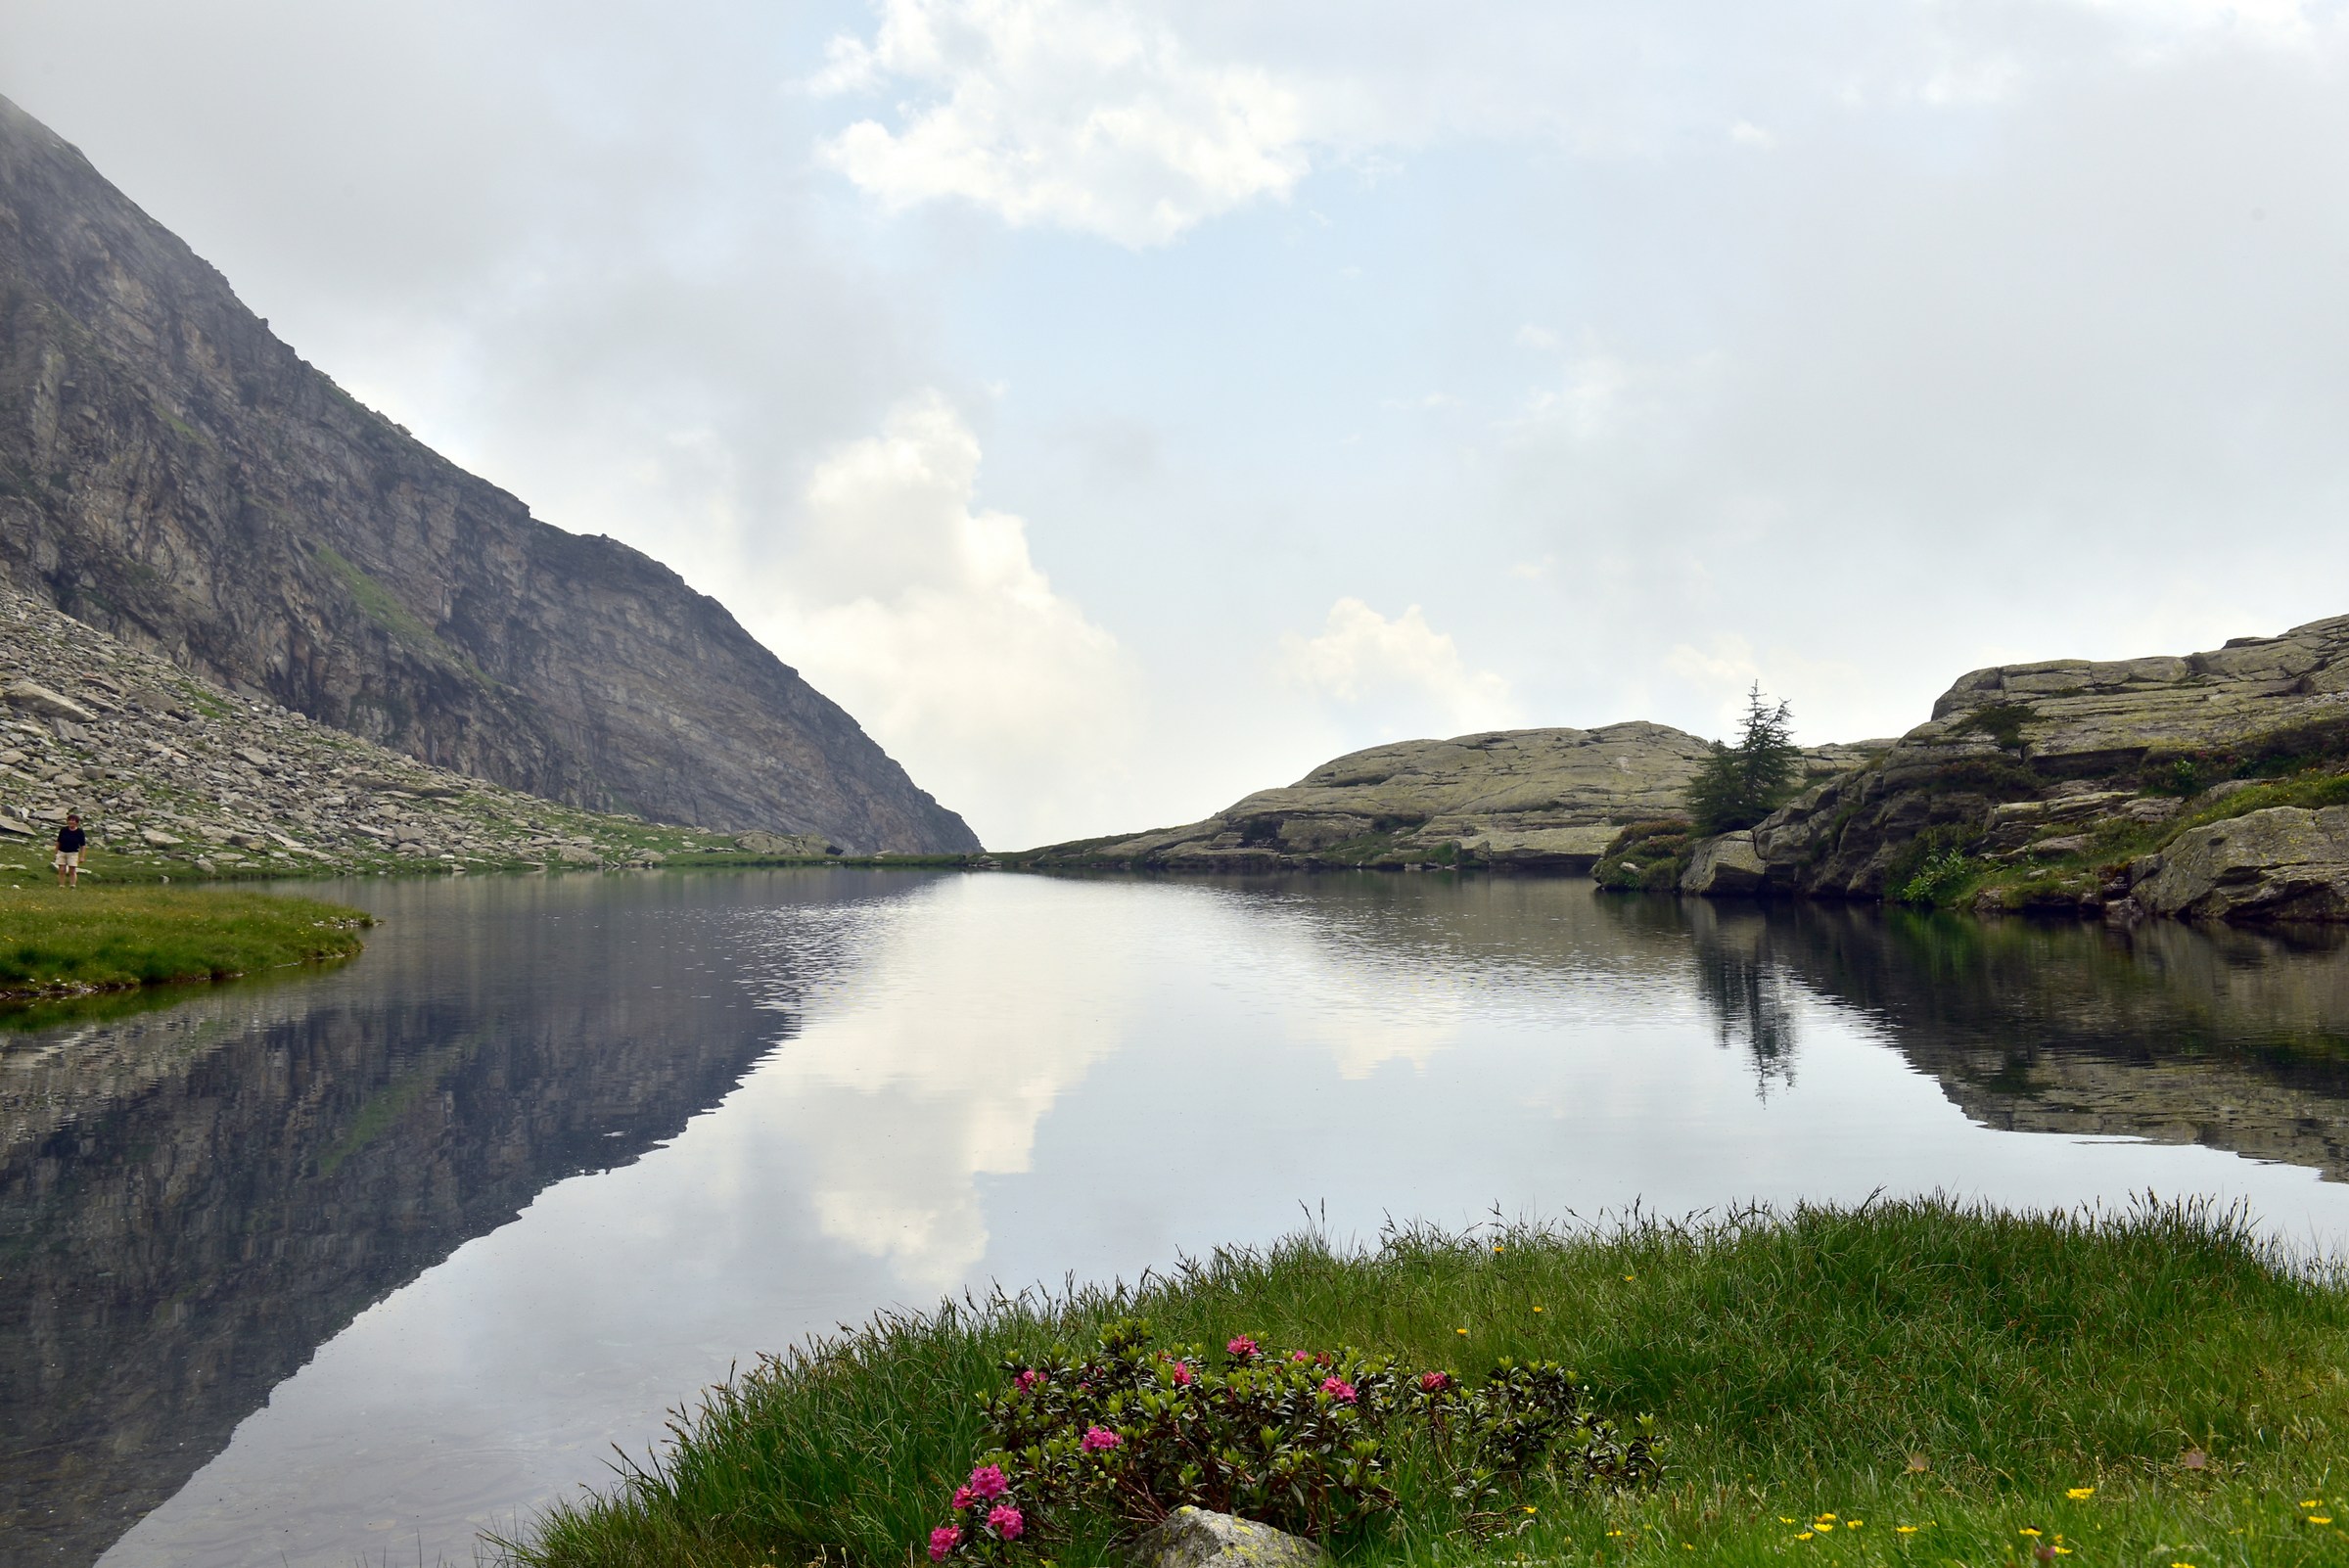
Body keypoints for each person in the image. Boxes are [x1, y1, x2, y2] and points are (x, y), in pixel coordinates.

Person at [55, 812, 86, 887]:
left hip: (73, 853)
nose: (71, 822)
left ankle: (72, 885)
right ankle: (61, 885)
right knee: (61, 870)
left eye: (73, 820)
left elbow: (83, 845)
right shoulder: (63, 830)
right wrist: (56, 853)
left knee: (72, 870)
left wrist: (82, 856)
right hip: (62, 852)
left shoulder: (80, 832)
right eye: (70, 820)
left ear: (77, 822)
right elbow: (58, 842)